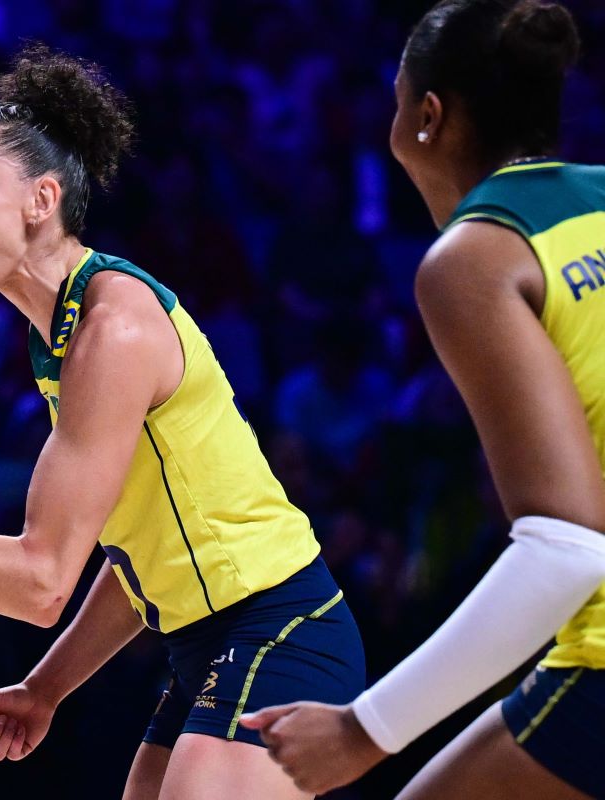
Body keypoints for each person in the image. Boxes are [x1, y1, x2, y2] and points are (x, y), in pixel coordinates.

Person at [0, 45, 364, 799]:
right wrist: (46, 687)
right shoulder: (56, 335)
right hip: (205, 642)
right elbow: (138, 556)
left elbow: (41, 582)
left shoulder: (111, 329)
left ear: (40, 199)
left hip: (280, 629)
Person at [240, 2, 605, 798]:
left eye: (396, 102)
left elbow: (569, 544)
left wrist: (362, 729)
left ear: (428, 118)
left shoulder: (473, 257)